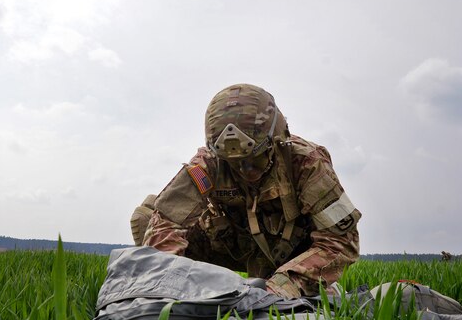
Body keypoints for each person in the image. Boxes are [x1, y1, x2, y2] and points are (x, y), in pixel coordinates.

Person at [130, 83, 361, 298]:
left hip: (288, 256)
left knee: (287, 301)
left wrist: (280, 288)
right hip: (232, 247)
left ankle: (306, 288)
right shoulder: (208, 163)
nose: (245, 170)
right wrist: (166, 289)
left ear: (276, 140)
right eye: (234, 163)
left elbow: (340, 241)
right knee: (146, 218)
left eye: (254, 159)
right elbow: (168, 220)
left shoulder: (306, 163)